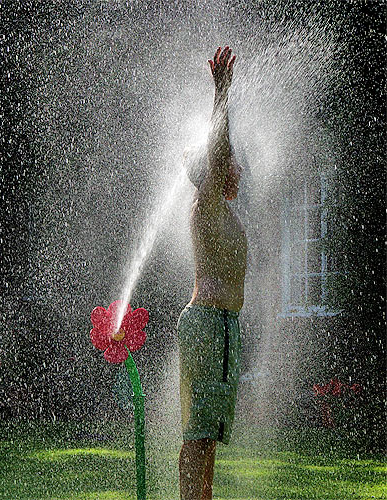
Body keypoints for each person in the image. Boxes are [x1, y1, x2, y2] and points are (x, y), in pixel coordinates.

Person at [178, 46, 247, 500]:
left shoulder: (222, 215)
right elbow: (218, 151)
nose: (236, 166)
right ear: (215, 172)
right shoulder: (206, 207)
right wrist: (221, 95)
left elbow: (221, 155)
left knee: (210, 437)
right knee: (197, 437)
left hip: (223, 328)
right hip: (207, 325)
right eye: (227, 162)